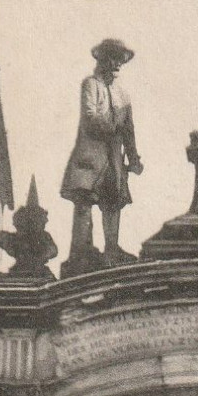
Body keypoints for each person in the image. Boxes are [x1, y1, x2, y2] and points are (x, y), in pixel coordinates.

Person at [61, 37, 143, 272]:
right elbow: (89, 118)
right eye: (113, 58)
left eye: (120, 60)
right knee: (84, 200)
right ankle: (81, 250)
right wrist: (112, 127)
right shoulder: (90, 84)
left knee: (112, 202)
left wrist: (134, 158)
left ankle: (112, 249)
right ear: (102, 59)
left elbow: (129, 130)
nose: (117, 64)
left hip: (114, 159)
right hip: (91, 156)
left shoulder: (124, 96)